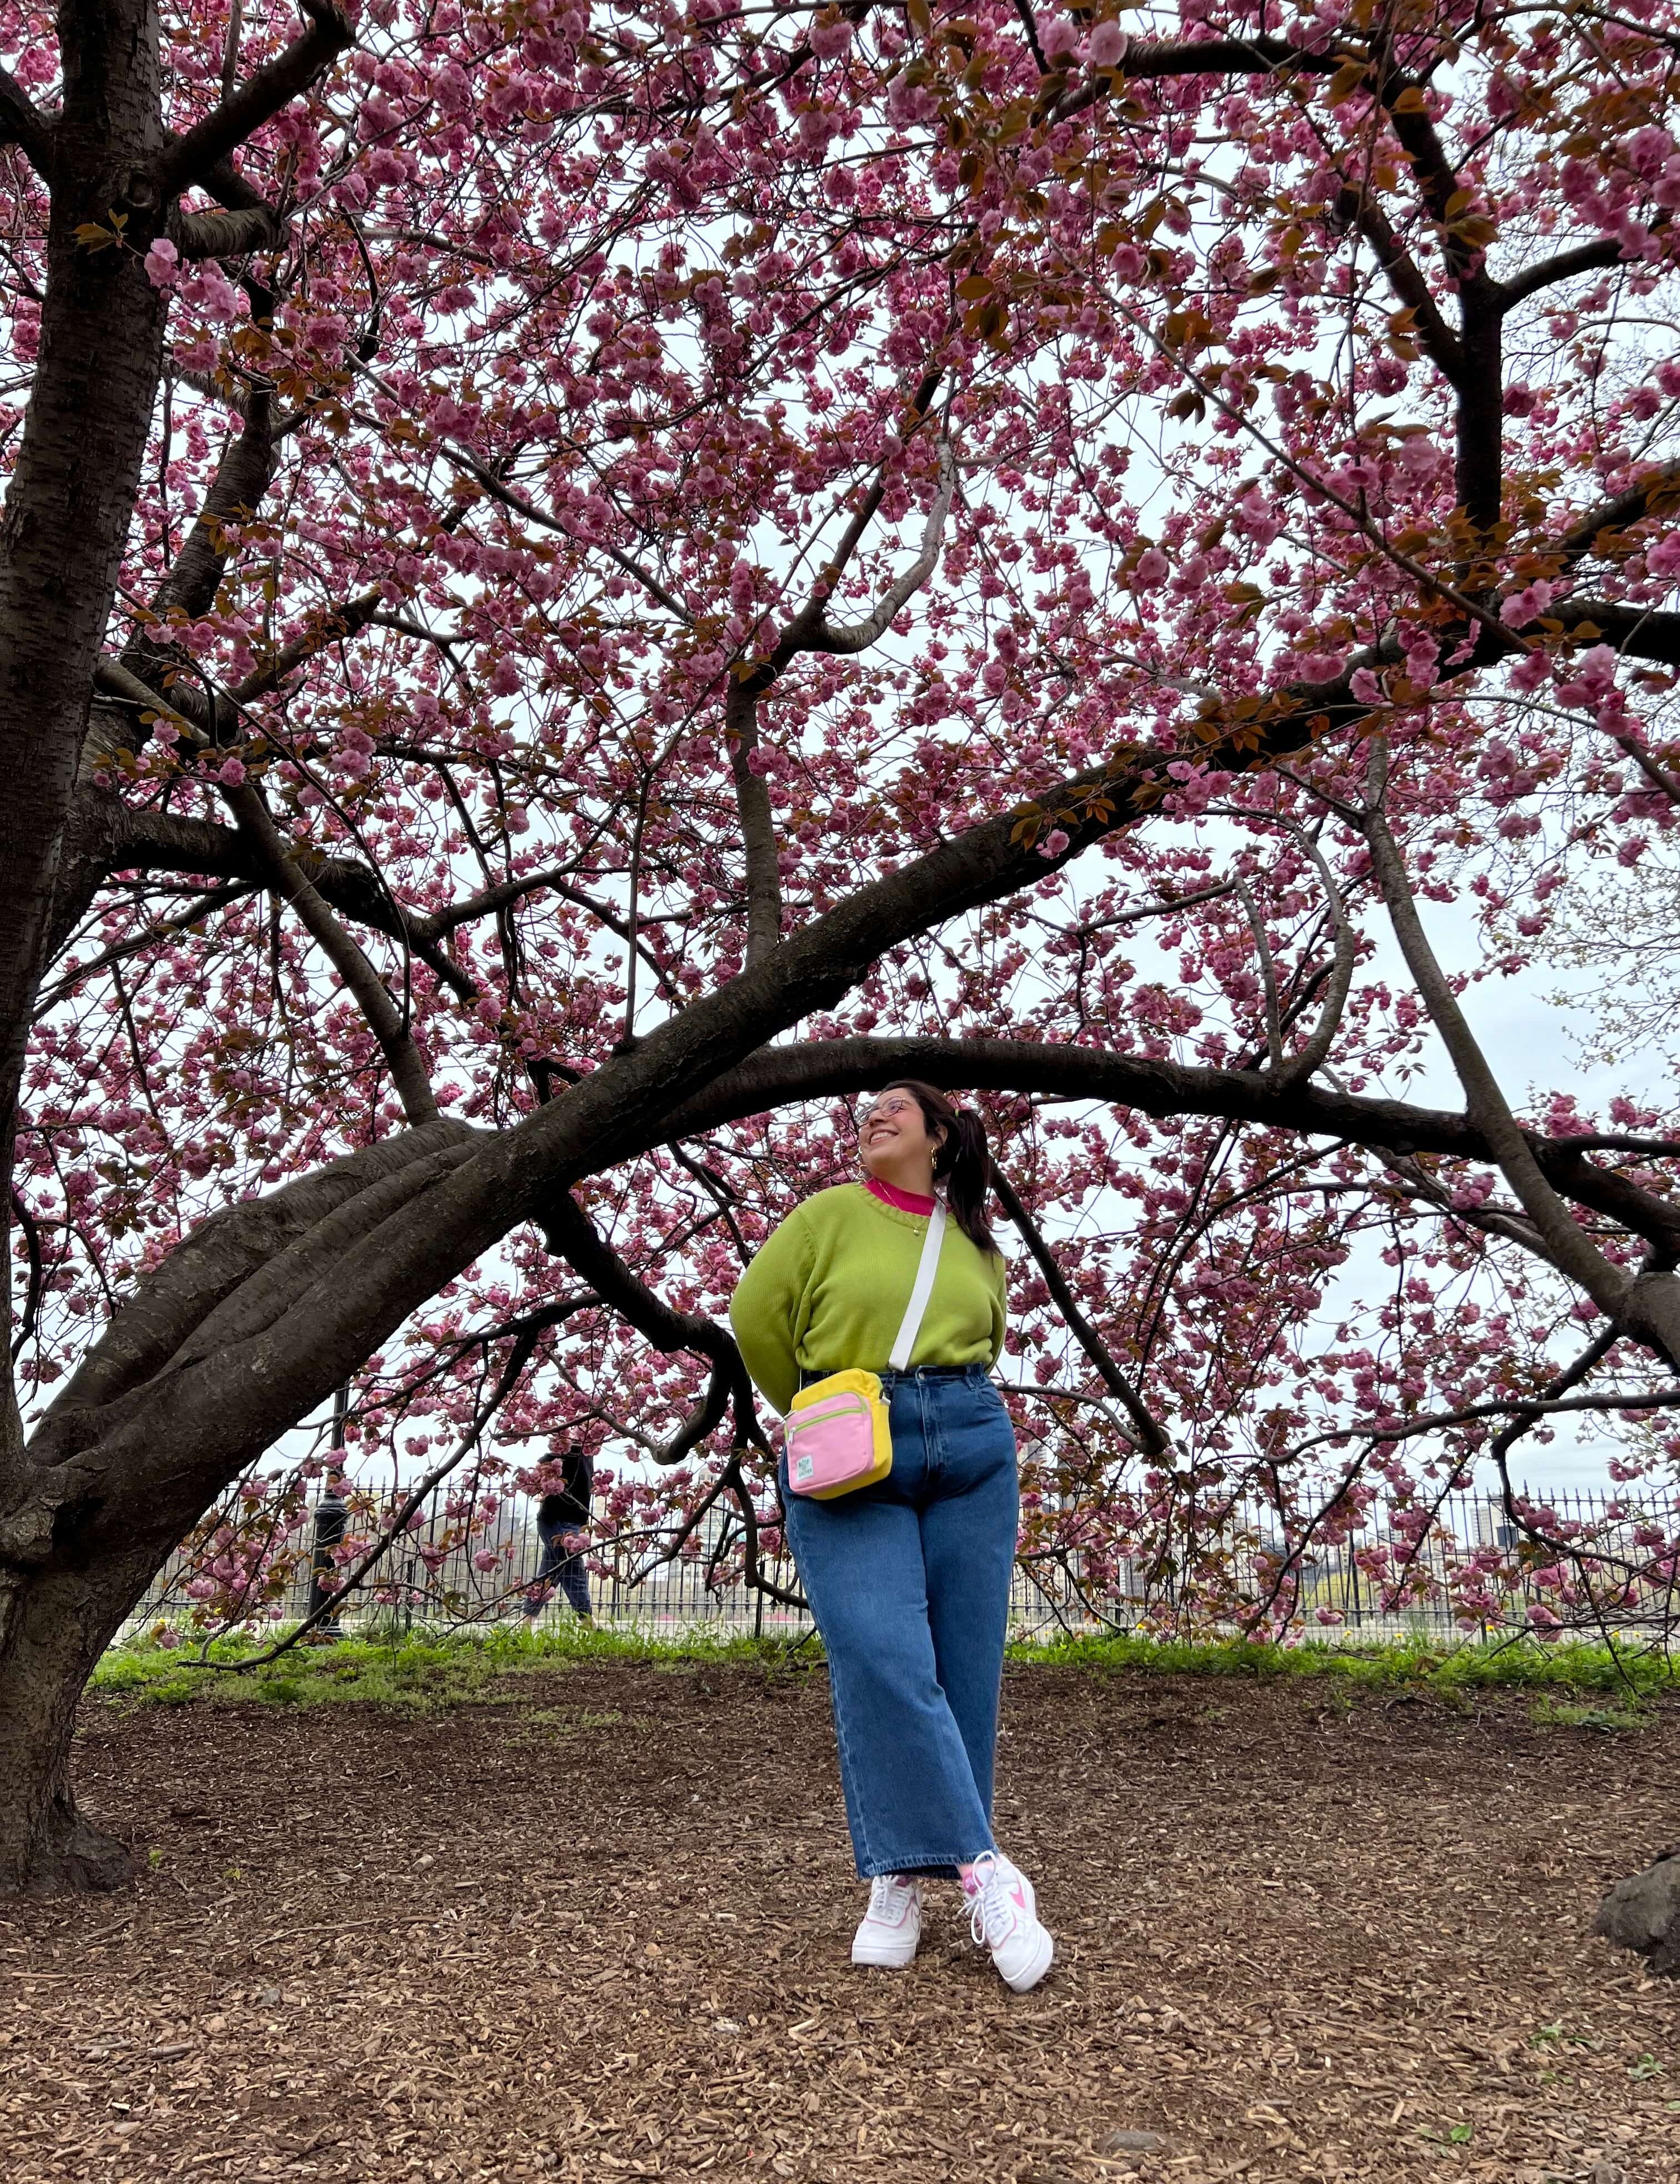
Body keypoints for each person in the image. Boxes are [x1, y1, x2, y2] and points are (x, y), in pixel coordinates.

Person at [729, 1080, 1053, 1993]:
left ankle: (900, 1877)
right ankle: (984, 1869)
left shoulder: (979, 1248)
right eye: (865, 1109)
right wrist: (813, 1406)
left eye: (894, 1108)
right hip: (851, 1443)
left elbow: (986, 1344)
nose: (872, 1115)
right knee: (880, 1652)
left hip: (971, 1443)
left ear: (939, 1136)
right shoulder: (827, 1215)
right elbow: (754, 1316)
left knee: (963, 1666)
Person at [522, 1446, 594, 1621]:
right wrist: (546, 1484)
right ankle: (590, 1624)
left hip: (572, 1523)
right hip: (558, 1522)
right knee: (574, 1572)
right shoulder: (568, 1447)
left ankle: (526, 1624)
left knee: (549, 1574)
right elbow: (540, 1465)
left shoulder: (588, 1450)